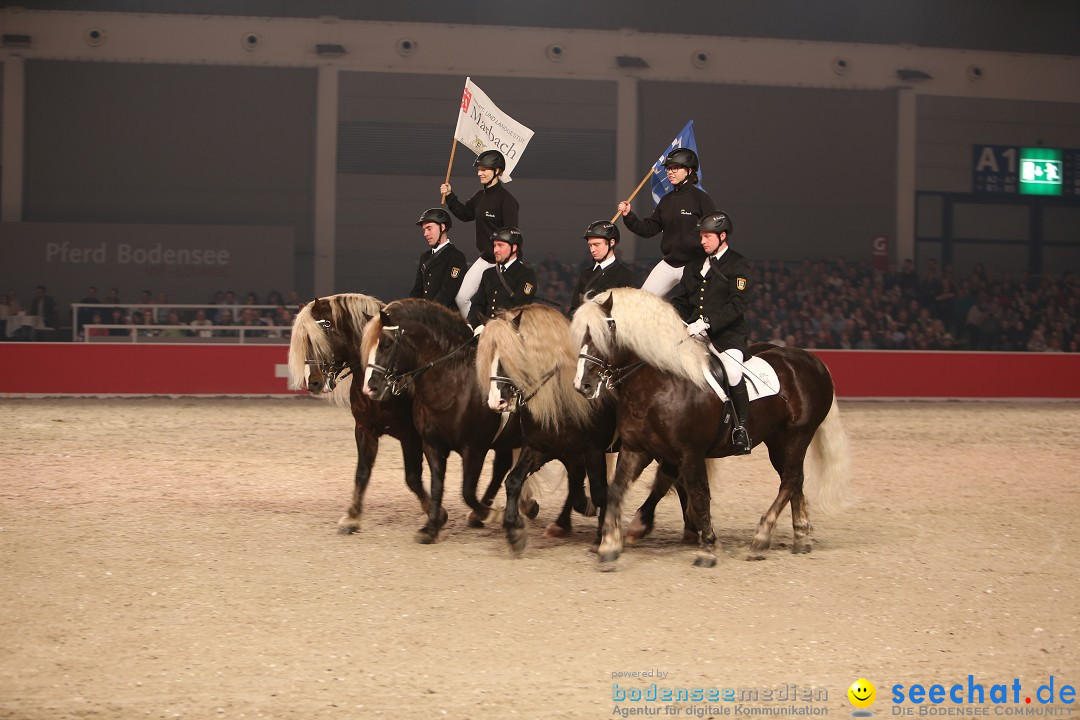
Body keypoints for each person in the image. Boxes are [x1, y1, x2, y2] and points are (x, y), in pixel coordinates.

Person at [669, 211, 753, 455]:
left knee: (733, 372)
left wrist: (707, 322)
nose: (703, 241)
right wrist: (677, 319)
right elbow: (682, 300)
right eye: (701, 237)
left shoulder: (738, 264)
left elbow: (737, 305)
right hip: (692, 335)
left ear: (722, 236)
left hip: (726, 337)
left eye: (708, 236)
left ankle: (742, 430)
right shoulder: (695, 265)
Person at [617, 147, 717, 297]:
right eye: (669, 169)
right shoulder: (666, 200)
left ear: (689, 171)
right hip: (668, 264)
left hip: (695, 265)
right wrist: (628, 215)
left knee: (697, 308)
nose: (670, 172)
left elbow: (715, 233)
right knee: (641, 303)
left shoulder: (702, 199)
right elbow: (648, 229)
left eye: (675, 168)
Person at [440, 150, 520, 319]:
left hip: (503, 263)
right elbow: (465, 214)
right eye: (479, 169)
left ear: (497, 171)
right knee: (462, 298)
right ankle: (475, 333)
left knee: (498, 306)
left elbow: (513, 236)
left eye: (484, 169)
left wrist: (509, 264)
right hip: (484, 260)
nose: (479, 173)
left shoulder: (508, 201)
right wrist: (450, 196)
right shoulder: (479, 196)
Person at [467, 227, 537, 330]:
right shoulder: (488, 273)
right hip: (485, 331)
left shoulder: (526, 274)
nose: (495, 250)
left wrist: (495, 330)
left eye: (500, 245)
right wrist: (474, 326)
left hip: (510, 332)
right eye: (495, 245)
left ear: (514, 247)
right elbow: (478, 304)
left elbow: (519, 308)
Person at [570, 220, 635, 314]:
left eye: (596, 245)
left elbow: (626, 311)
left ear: (611, 242)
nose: (592, 250)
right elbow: (574, 308)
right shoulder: (585, 273)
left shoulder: (625, 274)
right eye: (590, 245)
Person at [409, 208, 467, 310]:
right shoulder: (425, 256)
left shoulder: (456, 257)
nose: (425, 234)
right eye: (424, 230)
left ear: (442, 227)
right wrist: (409, 308)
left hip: (444, 316)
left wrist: (428, 312)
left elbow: (447, 292)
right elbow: (417, 289)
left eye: (429, 228)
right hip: (424, 314)